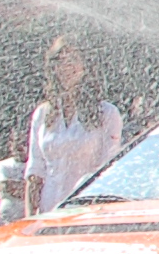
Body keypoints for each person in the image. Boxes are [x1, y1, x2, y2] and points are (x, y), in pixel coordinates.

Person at [22, 34, 121, 215]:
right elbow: (35, 170)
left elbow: (108, 170)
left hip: (87, 211)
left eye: (73, 59)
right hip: (49, 211)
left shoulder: (107, 113)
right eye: (60, 60)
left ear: (85, 66)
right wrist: (29, 217)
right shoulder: (43, 114)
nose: (66, 66)